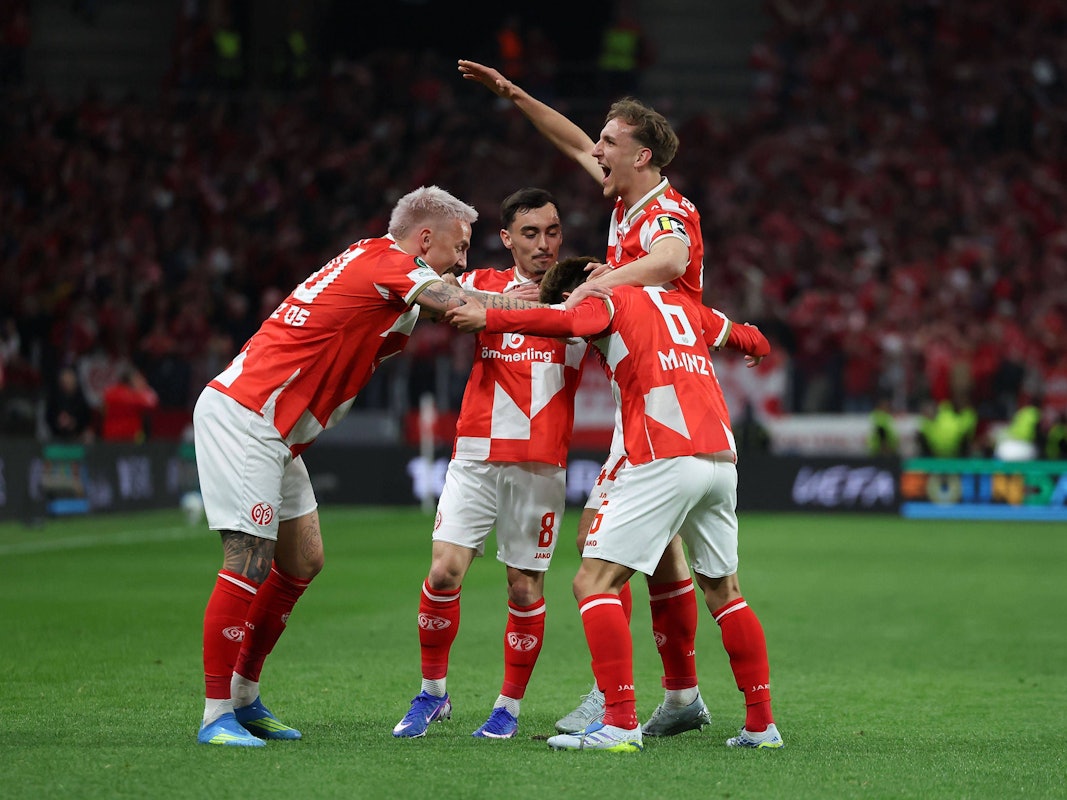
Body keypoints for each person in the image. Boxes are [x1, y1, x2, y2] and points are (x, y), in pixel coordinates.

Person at [193, 186, 597, 747]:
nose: (462, 260)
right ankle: (217, 714)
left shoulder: (381, 269)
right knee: (249, 560)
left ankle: (244, 695)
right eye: (457, 248)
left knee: (303, 560)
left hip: (279, 430)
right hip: (251, 414)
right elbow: (458, 303)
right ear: (424, 238)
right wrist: (559, 308)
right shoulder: (389, 264)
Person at [459, 58, 716, 737]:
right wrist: (516, 94)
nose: (593, 149)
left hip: (660, 391)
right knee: (658, 552)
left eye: (607, 141)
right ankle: (683, 696)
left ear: (639, 152)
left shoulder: (664, 212)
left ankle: (617, 702)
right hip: (651, 391)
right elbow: (569, 140)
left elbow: (666, 263)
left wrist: (594, 288)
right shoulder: (626, 200)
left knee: (600, 553)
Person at [447, 257, 783, 752]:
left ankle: (619, 723)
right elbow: (747, 336)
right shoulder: (681, 303)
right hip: (720, 457)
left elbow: (561, 321)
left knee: (592, 581)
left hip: (664, 453)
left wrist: (488, 317)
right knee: (726, 592)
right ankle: (761, 726)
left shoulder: (605, 300)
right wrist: (755, 344)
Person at [393, 188, 588, 740]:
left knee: (524, 589)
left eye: (552, 232)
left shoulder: (583, 297)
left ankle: (508, 706)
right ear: (506, 239)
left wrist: (505, 314)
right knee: (443, 572)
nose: (544, 244)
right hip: (475, 452)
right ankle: (433, 694)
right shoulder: (479, 283)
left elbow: (584, 319)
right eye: (530, 233)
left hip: (540, 462)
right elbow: (430, 291)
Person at [100, 365, 159, 442]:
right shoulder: (116, 393)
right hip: (123, 438)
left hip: (125, 436)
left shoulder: (110, 391)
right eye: (139, 379)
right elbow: (152, 402)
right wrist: (144, 390)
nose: (143, 381)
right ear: (130, 381)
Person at [44, 366, 95, 443]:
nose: (67, 383)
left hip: (78, 436)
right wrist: (58, 422)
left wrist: (74, 423)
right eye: (65, 381)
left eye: (69, 380)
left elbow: (86, 417)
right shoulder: (54, 397)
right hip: (57, 437)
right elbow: (49, 416)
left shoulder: (81, 398)